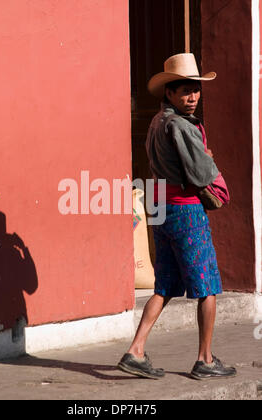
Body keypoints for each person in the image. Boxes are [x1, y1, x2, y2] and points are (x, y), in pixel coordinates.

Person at [118, 53, 236, 380]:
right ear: (169, 93)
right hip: (185, 210)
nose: (193, 96)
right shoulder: (182, 125)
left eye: (195, 89)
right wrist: (208, 160)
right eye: (185, 90)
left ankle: (136, 350)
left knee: (165, 285)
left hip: (161, 207)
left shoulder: (157, 121)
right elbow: (201, 174)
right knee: (207, 287)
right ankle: (205, 359)